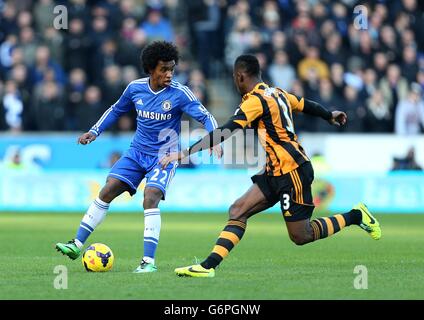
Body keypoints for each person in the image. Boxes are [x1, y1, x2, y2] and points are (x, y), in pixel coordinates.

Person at [160, 54, 381, 278]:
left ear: (240, 76)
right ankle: (207, 267)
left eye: (235, 79)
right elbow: (305, 105)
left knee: (301, 235)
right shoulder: (278, 93)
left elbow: (228, 128)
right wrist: (328, 115)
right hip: (274, 170)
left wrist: (185, 152)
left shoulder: (254, 101)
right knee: (238, 210)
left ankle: (356, 215)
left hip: (292, 169)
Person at [56, 41, 221, 273]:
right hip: (136, 152)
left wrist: (214, 139)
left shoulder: (180, 93)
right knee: (108, 189)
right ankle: (76, 244)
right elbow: (115, 109)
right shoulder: (135, 88)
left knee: (150, 196)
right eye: (164, 69)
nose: (169, 74)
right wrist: (94, 131)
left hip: (164, 156)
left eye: (172, 68)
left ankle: (148, 262)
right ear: (151, 68)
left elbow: (205, 116)